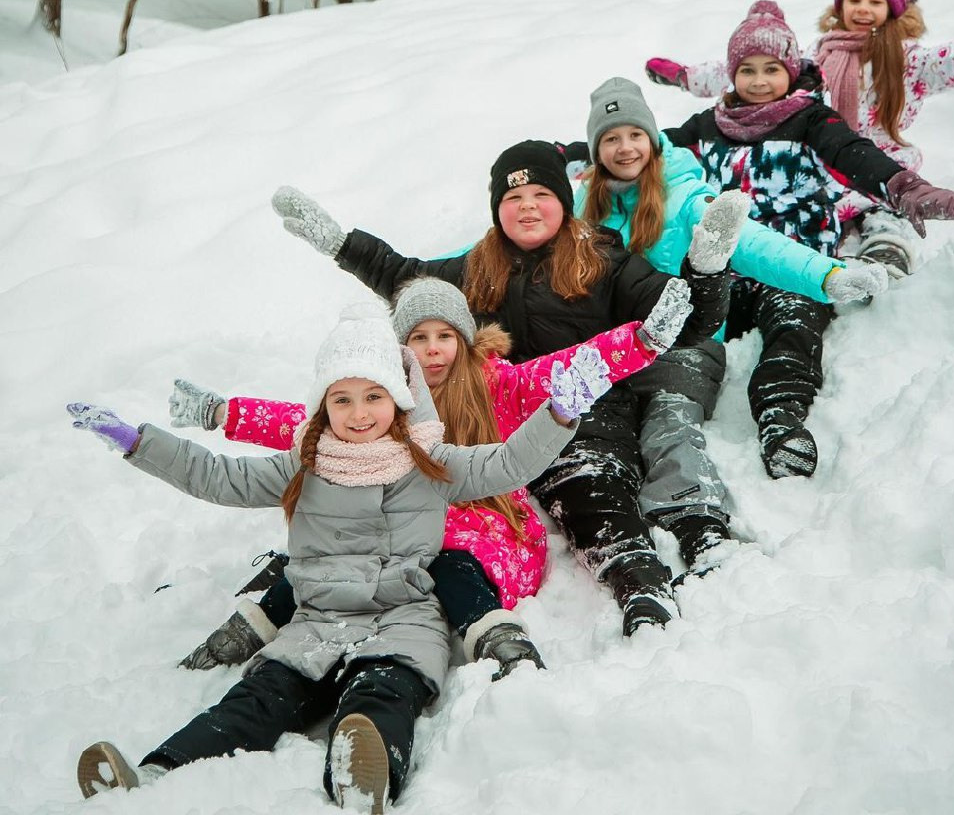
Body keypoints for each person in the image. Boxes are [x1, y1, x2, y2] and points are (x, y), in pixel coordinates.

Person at [66, 295, 656, 811]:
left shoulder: (431, 464)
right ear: (323, 406)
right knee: (253, 701)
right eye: (342, 399)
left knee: (383, 695)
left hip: (405, 620)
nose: (358, 413)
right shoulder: (304, 464)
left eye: (374, 396)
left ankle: (363, 780)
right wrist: (138, 443)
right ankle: (152, 775)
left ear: (399, 399)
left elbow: (507, 463)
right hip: (316, 622)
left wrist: (558, 414)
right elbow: (217, 476)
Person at [268, 141, 749, 636]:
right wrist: (340, 244)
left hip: (577, 416)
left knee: (589, 490)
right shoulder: (474, 267)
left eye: (541, 195)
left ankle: (640, 581)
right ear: (498, 209)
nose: (527, 207)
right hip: (489, 426)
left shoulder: (605, 260)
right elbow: (404, 278)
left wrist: (706, 271)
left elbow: (685, 321)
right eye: (513, 198)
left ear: (564, 201)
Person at [167, 275, 687, 679]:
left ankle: (492, 633)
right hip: (396, 517)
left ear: (464, 339)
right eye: (418, 337)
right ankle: (255, 626)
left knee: (443, 552)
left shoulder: (500, 384)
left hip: (483, 519)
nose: (433, 349)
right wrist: (221, 413)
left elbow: (575, 365)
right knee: (329, 548)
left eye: (444, 336)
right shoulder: (383, 401)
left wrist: (643, 340)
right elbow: (298, 424)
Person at [653, 0, 954, 477]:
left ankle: (781, 417)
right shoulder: (708, 126)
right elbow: (641, 149)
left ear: (791, 69)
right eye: (747, 70)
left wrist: (906, 188)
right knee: (685, 332)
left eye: (771, 69)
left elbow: (855, 154)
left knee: (793, 329)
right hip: (727, 269)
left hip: (792, 266)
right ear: (732, 75)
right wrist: (566, 156)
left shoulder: (812, 120)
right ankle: (670, 427)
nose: (759, 80)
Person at [557, 74, 889, 479]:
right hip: (612, 347)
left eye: (635, 135)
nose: (625, 147)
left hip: (684, 343)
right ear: (596, 150)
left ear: (653, 140)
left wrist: (826, 274)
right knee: (594, 436)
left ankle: (692, 503)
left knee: (669, 429)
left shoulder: (685, 196)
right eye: (611, 138)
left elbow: (750, 241)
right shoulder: (581, 206)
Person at [645, 0, 954, 276]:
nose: (862, 8)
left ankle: (885, 255)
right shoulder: (819, 52)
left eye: (875, 1)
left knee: (884, 217)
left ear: (895, 9)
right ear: (839, 5)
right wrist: (686, 76)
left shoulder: (908, 60)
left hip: (881, 168)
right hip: (821, 165)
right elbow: (748, 71)